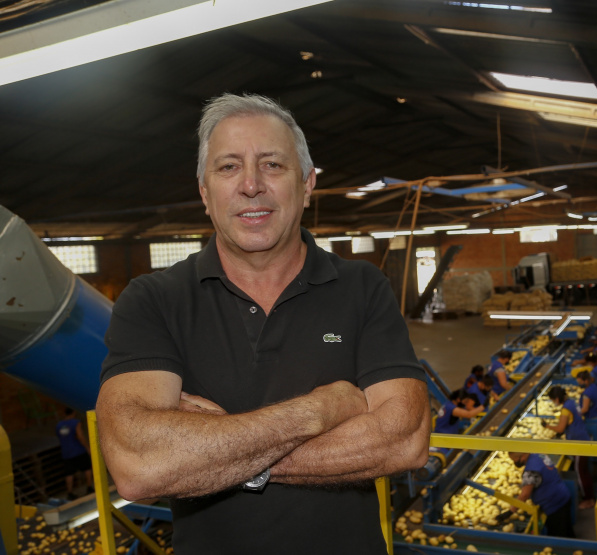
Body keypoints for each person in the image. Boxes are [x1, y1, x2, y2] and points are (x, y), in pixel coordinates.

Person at [95, 93, 430, 554]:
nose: (251, 185)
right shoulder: (153, 300)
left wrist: (219, 452)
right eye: (228, 167)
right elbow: (138, 463)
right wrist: (320, 410)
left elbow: (405, 440)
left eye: (272, 164)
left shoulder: (362, 287)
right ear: (204, 193)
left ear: (307, 184)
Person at [545, 386, 594, 509]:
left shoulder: (565, 410)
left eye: (552, 400)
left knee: (580, 472)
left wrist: (547, 426)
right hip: (584, 439)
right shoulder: (571, 402)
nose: (553, 402)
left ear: (557, 398)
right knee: (584, 470)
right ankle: (588, 496)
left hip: (579, 444)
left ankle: (589, 500)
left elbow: (561, 428)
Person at [507, 452, 574, 538]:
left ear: (523, 456)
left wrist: (510, 511)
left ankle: (564, 550)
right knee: (567, 531)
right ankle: (574, 549)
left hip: (554, 505)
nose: (515, 463)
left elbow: (525, 495)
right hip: (562, 494)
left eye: (515, 460)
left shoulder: (530, 472)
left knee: (558, 537)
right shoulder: (539, 455)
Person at [56, 408, 92, 500]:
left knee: (69, 473)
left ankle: (70, 492)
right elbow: (80, 436)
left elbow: (60, 437)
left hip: (66, 453)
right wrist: (87, 448)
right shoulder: (76, 422)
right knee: (87, 468)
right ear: (74, 412)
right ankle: (89, 487)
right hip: (78, 450)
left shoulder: (59, 425)